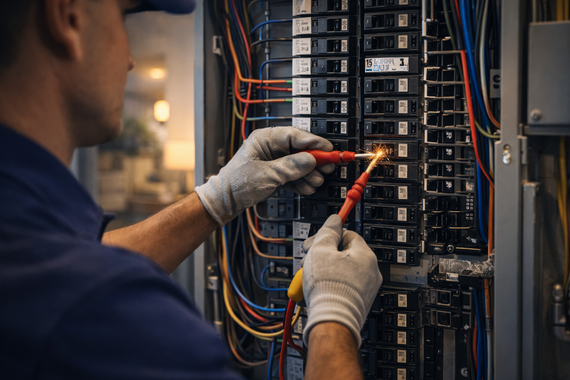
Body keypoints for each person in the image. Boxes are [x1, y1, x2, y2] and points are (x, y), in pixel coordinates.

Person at [0, 0, 382, 379]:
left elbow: (82, 258)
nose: (131, 59)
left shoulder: (24, 237)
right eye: (123, 16)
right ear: (68, 17)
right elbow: (82, 278)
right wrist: (334, 317)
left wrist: (217, 198)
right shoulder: (96, 314)